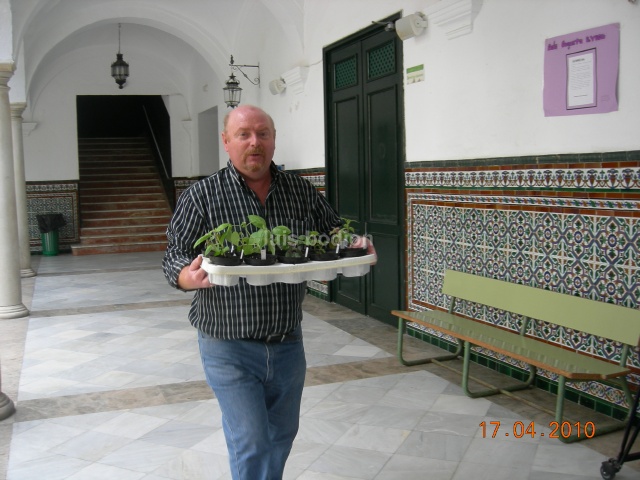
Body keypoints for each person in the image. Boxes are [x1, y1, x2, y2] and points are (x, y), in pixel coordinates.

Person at [163, 105, 351, 480]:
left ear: (274, 140)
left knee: (281, 434)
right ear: (226, 141)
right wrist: (186, 276)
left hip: (286, 342)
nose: (255, 143)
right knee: (251, 441)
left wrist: (343, 251)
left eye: (263, 134)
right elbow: (175, 255)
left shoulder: (300, 192)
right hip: (227, 344)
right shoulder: (202, 196)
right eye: (244, 134)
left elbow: (333, 232)